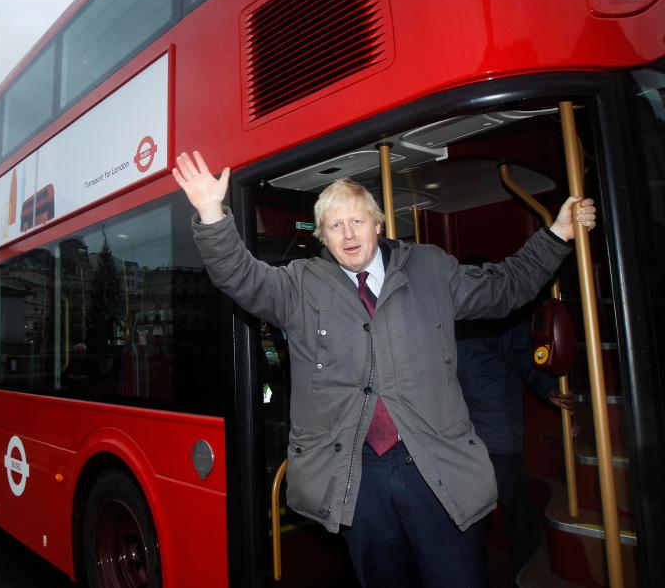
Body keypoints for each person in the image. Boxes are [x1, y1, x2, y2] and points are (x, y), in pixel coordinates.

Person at [172, 150, 596, 587]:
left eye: (357, 221)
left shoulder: (431, 268)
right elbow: (240, 277)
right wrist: (210, 213)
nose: (348, 233)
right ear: (322, 236)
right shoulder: (300, 285)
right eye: (335, 226)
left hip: (434, 466)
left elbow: (504, 288)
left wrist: (557, 234)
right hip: (357, 477)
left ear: (378, 225)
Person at [456, 311, 574, 578]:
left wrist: (548, 388)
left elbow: (523, 356)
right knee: (469, 511)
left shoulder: (500, 310)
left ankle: (527, 569)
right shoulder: (447, 312)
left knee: (515, 508)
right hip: (462, 431)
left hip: (498, 431)